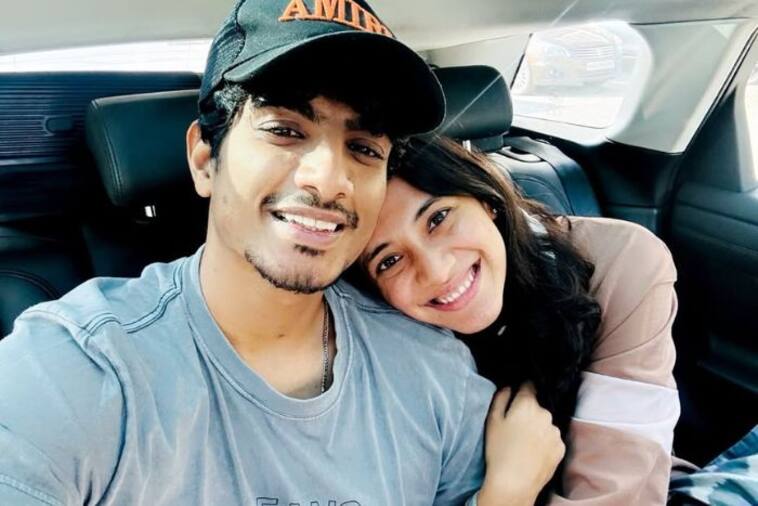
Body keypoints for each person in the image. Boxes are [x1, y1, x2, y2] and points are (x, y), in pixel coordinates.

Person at [0, 1, 564, 505]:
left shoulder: (433, 369)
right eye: (285, 131)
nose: (329, 178)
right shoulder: (78, 368)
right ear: (205, 159)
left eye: (364, 148)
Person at [359, 137, 681, 505]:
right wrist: (509, 490)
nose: (436, 271)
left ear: (484, 197)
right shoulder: (380, 344)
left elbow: (620, 492)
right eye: (389, 261)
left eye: (438, 218)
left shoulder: (620, 264)